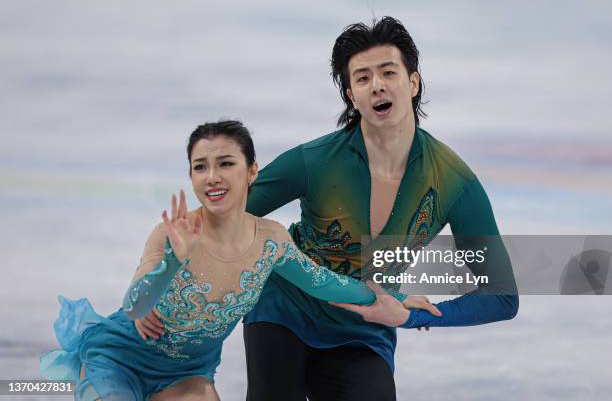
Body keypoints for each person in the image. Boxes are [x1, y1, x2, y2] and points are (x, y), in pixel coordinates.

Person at [136, 17, 519, 400]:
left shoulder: (453, 182)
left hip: (364, 327)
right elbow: (211, 220)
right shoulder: (314, 162)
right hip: (285, 309)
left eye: (388, 72)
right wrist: (152, 284)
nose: (378, 86)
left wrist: (410, 314)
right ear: (351, 94)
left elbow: (503, 295)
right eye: (363, 78)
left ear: (413, 82)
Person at [40, 120, 440, 401]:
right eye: (200, 167)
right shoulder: (172, 233)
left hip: (187, 374)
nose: (212, 176)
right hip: (119, 359)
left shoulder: (271, 242)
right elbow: (135, 306)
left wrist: (393, 299)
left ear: (251, 172)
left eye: (225, 163)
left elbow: (325, 283)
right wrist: (174, 264)